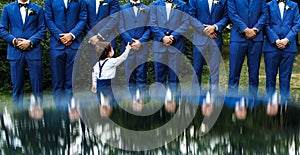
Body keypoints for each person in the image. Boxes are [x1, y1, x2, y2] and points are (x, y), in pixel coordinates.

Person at [0, 0, 46, 106]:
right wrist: (14, 41)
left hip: (33, 51)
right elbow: (2, 29)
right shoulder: (7, 8)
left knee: (37, 86)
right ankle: (18, 115)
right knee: (17, 86)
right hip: (15, 51)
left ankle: (39, 116)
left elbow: (42, 29)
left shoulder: (38, 9)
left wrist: (30, 42)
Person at [44, 0, 87, 107]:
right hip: (57, 45)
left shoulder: (80, 1)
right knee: (57, 82)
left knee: (71, 81)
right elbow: (48, 19)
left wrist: (72, 35)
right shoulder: (49, 1)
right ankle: (60, 112)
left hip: (74, 44)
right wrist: (61, 36)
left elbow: (83, 19)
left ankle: (71, 110)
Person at [150, 0, 189, 100]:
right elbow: (152, 23)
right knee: (159, 76)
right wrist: (163, 37)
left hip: (175, 45)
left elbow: (185, 23)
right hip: (159, 46)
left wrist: (173, 36)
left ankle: (173, 103)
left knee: (174, 77)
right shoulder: (155, 4)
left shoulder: (182, 5)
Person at [227, 0, 267, 99]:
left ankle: (252, 100)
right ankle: (232, 99)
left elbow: (264, 14)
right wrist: (245, 29)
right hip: (237, 38)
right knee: (234, 71)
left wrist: (255, 29)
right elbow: (232, 14)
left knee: (254, 72)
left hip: (256, 38)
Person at [263, 0, 300, 104]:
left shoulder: (294, 5)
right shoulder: (268, 5)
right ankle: (270, 103)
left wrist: (287, 40)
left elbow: (296, 24)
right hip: (271, 47)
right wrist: (276, 40)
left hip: (288, 47)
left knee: (285, 77)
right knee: (270, 77)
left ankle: (285, 104)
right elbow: (265, 24)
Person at [189, 0, 229, 93]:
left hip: (215, 38)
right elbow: (191, 16)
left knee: (215, 70)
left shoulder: (223, 1)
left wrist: (215, 27)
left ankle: (213, 96)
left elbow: (226, 17)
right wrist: (205, 30)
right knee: (197, 69)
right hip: (199, 39)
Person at [118, 0, 151, 101]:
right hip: (128, 47)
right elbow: (120, 27)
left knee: (142, 73)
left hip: (142, 47)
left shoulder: (147, 9)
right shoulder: (122, 9)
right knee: (129, 74)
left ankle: (141, 98)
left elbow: (149, 28)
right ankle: (129, 98)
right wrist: (130, 41)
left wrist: (140, 41)